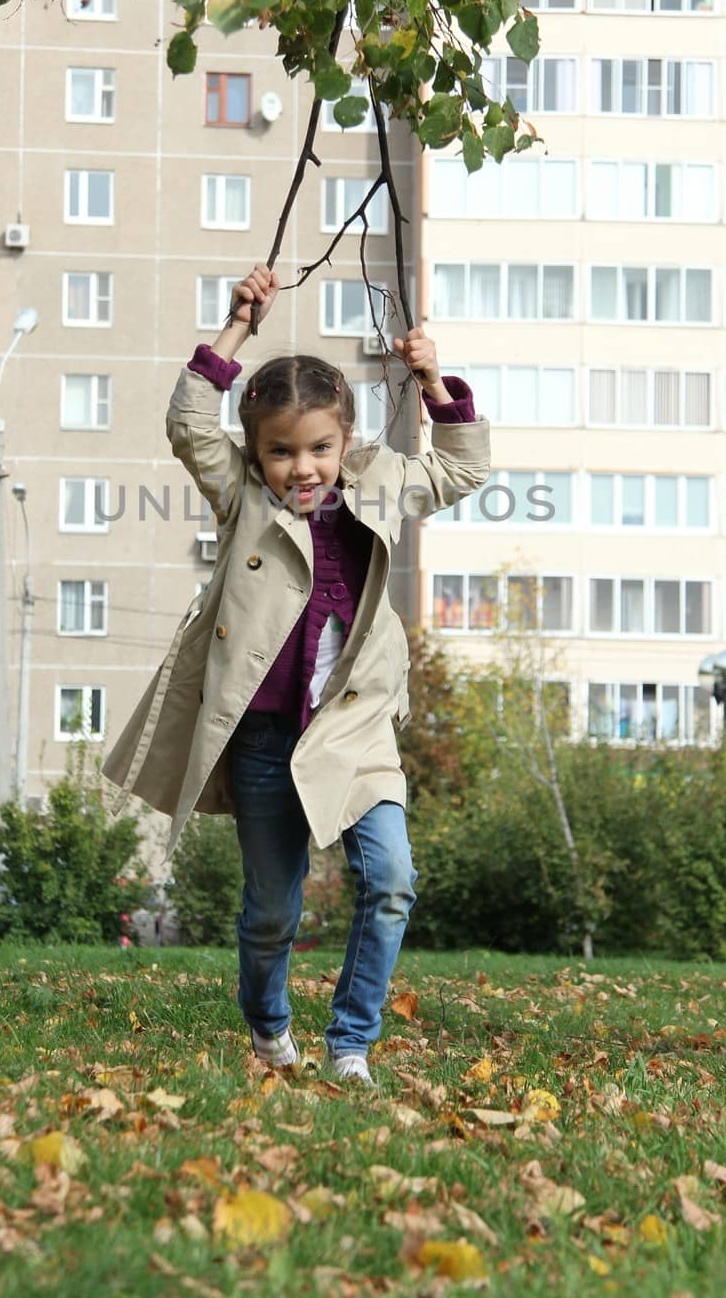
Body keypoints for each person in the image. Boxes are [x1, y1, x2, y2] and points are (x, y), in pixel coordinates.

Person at [103, 264, 490, 1085]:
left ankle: (350, 1044)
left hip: (353, 727)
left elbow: (460, 470)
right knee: (271, 912)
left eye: (318, 448)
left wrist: (429, 380)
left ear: (346, 440)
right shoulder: (239, 490)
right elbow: (188, 425)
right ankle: (268, 1028)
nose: (301, 467)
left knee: (389, 881)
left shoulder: (381, 480)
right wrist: (235, 328)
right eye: (281, 452)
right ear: (258, 451)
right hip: (263, 738)